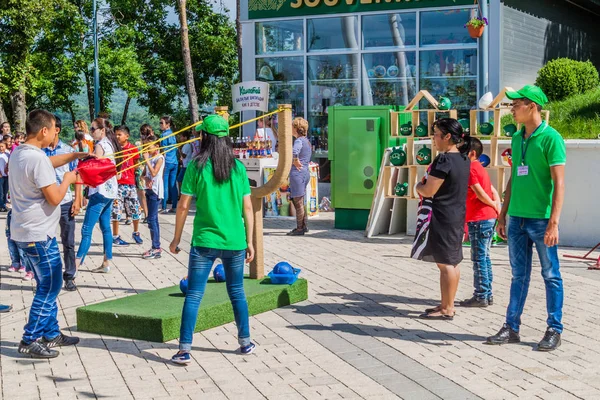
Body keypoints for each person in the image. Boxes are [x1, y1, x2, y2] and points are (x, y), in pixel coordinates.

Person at [169, 114, 256, 364]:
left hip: (204, 241)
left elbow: (183, 206)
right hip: (235, 240)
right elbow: (247, 208)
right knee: (237, 292)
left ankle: (184, 349)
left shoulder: (195, 167)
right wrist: (249, 241)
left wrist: (176, 239)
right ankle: (245, 343)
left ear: (204, 137)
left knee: (194, 295)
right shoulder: (238, 168)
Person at [486, 85, 566, 351]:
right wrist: (502, 213)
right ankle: (511, 327)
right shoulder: (518, 138)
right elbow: (512, 179)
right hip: (517, 218)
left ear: (532, 106)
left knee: (551, 275)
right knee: (518, 275)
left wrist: (553, 222)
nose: (511, 110)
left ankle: (554, 329)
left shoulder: (551, 138)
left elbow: (560, 183)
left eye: (516, 104)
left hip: (541, 220)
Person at [10, 109, 87, 358]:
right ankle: (30, 338)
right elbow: (54, 198)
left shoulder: (20, 152)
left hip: (25, 231)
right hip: (39, 234)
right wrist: (68, 179)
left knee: (46, 282)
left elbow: (46, 163)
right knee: (51, 285)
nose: (56, 132)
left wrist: (72, 156)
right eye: (55, 128)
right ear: (44, 130)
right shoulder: (37, 159)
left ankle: (51, 333)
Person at [412, 118, 470, 320]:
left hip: (443, 215)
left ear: (447, 136)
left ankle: (447, 308)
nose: (433, 138)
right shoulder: (463, 158)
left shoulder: (445, 159)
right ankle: (447, 303)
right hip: (456, 214)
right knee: (452, 262)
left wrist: (417, 187)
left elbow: (429, 190)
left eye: (436, 134)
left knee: (445, 263)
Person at [75, 118, 121, 274]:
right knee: (105, 227)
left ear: (102, 130)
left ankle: (74, 267)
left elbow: (94, 169)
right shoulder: (110, 144)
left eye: (93, 129)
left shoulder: (101, 145)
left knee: (86, 229)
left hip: (100, 191)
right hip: (110, 191)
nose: (91, 131)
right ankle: (106, 262)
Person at [459, 137, 501, 308]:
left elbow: (480, 192)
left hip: (479, 218)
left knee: (478, 259)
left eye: (463, 150)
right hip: (486, 217)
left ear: (472, 153)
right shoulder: (480, 168)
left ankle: (481, 295)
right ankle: (487, 293)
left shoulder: (470, 169)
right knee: (485, 257)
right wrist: (496, 206)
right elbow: (492, 189)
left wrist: (492, 204)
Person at [43, 115, 82, 291]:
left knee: (68, 241)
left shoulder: (68, 151)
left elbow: (78, 175)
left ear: (56, 130)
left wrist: (78, 200)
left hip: (66, 202)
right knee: (44, 241)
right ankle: (47, 278)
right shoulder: (39, 152)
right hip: (46, 203)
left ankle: (69, 276)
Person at [111, 125, 143, 246]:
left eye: (119, 134)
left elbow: (136, 163)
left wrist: (136, 174)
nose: (117, 136)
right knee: (116, 210)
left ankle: (136, 232)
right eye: (116, 134)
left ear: (127, 136)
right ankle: (115, 235)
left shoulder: (133, 149)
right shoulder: (114, 149)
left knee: (135, 208)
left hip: (130, 184)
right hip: (117, 185)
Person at [287, 117, 312, 236]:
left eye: (292, 127)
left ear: (296, 128)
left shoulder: (298, 141)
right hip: (305, 172)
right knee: (301, 200)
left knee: (297, 202)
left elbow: (294, 152)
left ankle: (299, 228)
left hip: (297, 173)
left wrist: (295, 160)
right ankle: (304, 225)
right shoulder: (306, 141)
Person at [141, 136, 164, 259]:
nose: (147, 149)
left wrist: (147, 160)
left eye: (149, 147)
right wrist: (146, 178)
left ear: (157, 146)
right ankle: (154, 246)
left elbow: (154, 172)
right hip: (149, 190)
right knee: (150, 219)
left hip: (156, 191)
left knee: (152, 219)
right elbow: (144, 175)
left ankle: (156, 247)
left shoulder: (160, 158)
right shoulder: (149, 158)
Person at [159, 115, 178, 213]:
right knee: (173, 185)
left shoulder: (164, 135)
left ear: (168, 124)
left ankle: (164, 206)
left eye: (162, 123)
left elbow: (163, 151)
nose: (160, 125)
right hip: (174, 162)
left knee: (165, 184)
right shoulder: (173, 134)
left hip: (167, 162)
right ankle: (174, 206)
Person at [0, 141, 8, 212]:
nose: (1, 148)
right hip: (1, 176)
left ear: (5, 147)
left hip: (7, 176)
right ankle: (1, 205)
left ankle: (4, 204)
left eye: (2, 146)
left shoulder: (7, 154)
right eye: (0, 146)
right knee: (1, 192)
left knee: (5, 191)